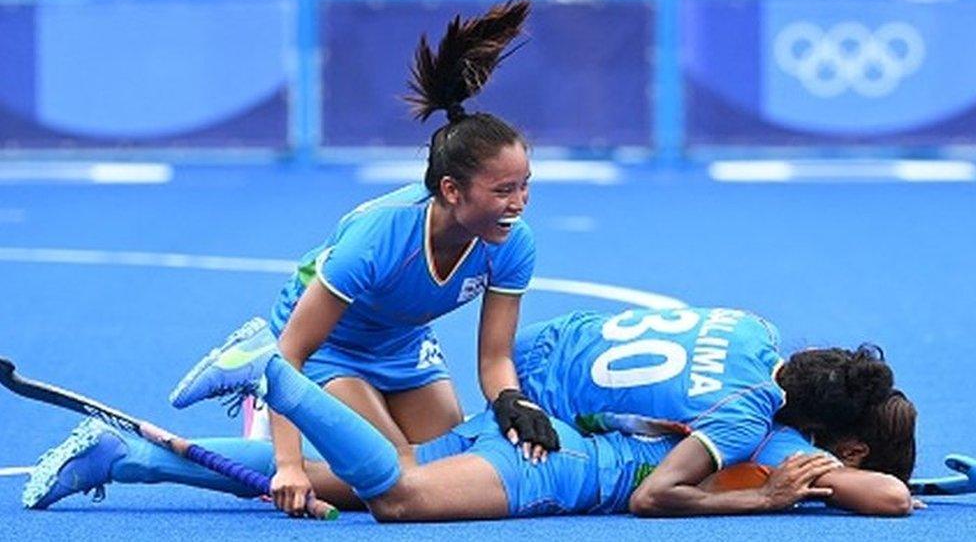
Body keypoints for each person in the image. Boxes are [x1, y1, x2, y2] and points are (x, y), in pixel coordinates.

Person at [22, 309, 916, 517]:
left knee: (342, 473)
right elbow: (887, 497)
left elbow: (568, 334)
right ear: (833, 430)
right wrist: (765, 499)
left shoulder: (752, 329)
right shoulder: (759, 422)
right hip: (564, 454)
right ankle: (276, 373)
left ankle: (123, 455)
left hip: (522, 391)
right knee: (398, 498)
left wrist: (519, 399)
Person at [223, 0, 557, 516]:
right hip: (328, 348)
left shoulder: (512, 243)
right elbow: (290, 354)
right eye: (503, 191)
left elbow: (494, 359)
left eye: (525, 187)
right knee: (400, 474)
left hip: (402, 348)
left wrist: (511, 401)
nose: (518, 205)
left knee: (455, 464)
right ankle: (228, 450)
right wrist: (287, 466)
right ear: (451, 190)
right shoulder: (380, 238)